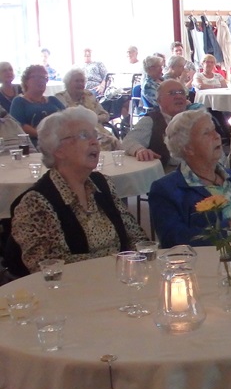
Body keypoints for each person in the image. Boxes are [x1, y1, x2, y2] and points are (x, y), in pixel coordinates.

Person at [7, 107, 148, 276]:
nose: (95, 142)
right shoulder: (35, 203)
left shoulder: (102, 184)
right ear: (58, 150)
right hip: (69, 293)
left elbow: (136, 236)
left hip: (118, 280)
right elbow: (49, 267)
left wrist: (135, 263)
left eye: (94, 135)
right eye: (83, 136)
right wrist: (118, 260)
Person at [150, 110, 231, 248]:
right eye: (206, 133)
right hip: (222, 261)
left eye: (214, 130)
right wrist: (226, 229)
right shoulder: (167, 189)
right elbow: (172, 239)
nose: (217, 136)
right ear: (188, 148)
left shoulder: (229, 175)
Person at [122, 78, 190, 171]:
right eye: (172, 93)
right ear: (159, 100)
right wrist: (140, 150)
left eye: (181, 92)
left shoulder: (194, 118)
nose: (178, 96)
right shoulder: (151, 120)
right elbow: (129, 141)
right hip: (169, 174)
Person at [55, 68, 121, 151]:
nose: (80, 84)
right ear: (68, 83)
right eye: (77, 81)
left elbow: (105, 115)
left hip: (99, 132)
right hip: (75, 135)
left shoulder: (89, 95)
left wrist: (93, 118)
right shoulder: (60, 98)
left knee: (115, 143)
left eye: (82, 81)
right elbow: (60, 121)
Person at [10, 64, 65, 144]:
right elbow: (19, 126)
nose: (42, 80)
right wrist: (45, 136)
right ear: (26, 81)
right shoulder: (19, 101)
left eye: (44, 78)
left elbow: (68, 118)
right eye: (37, 77)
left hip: (60, 143)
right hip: (34, 144)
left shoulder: (53, 100)